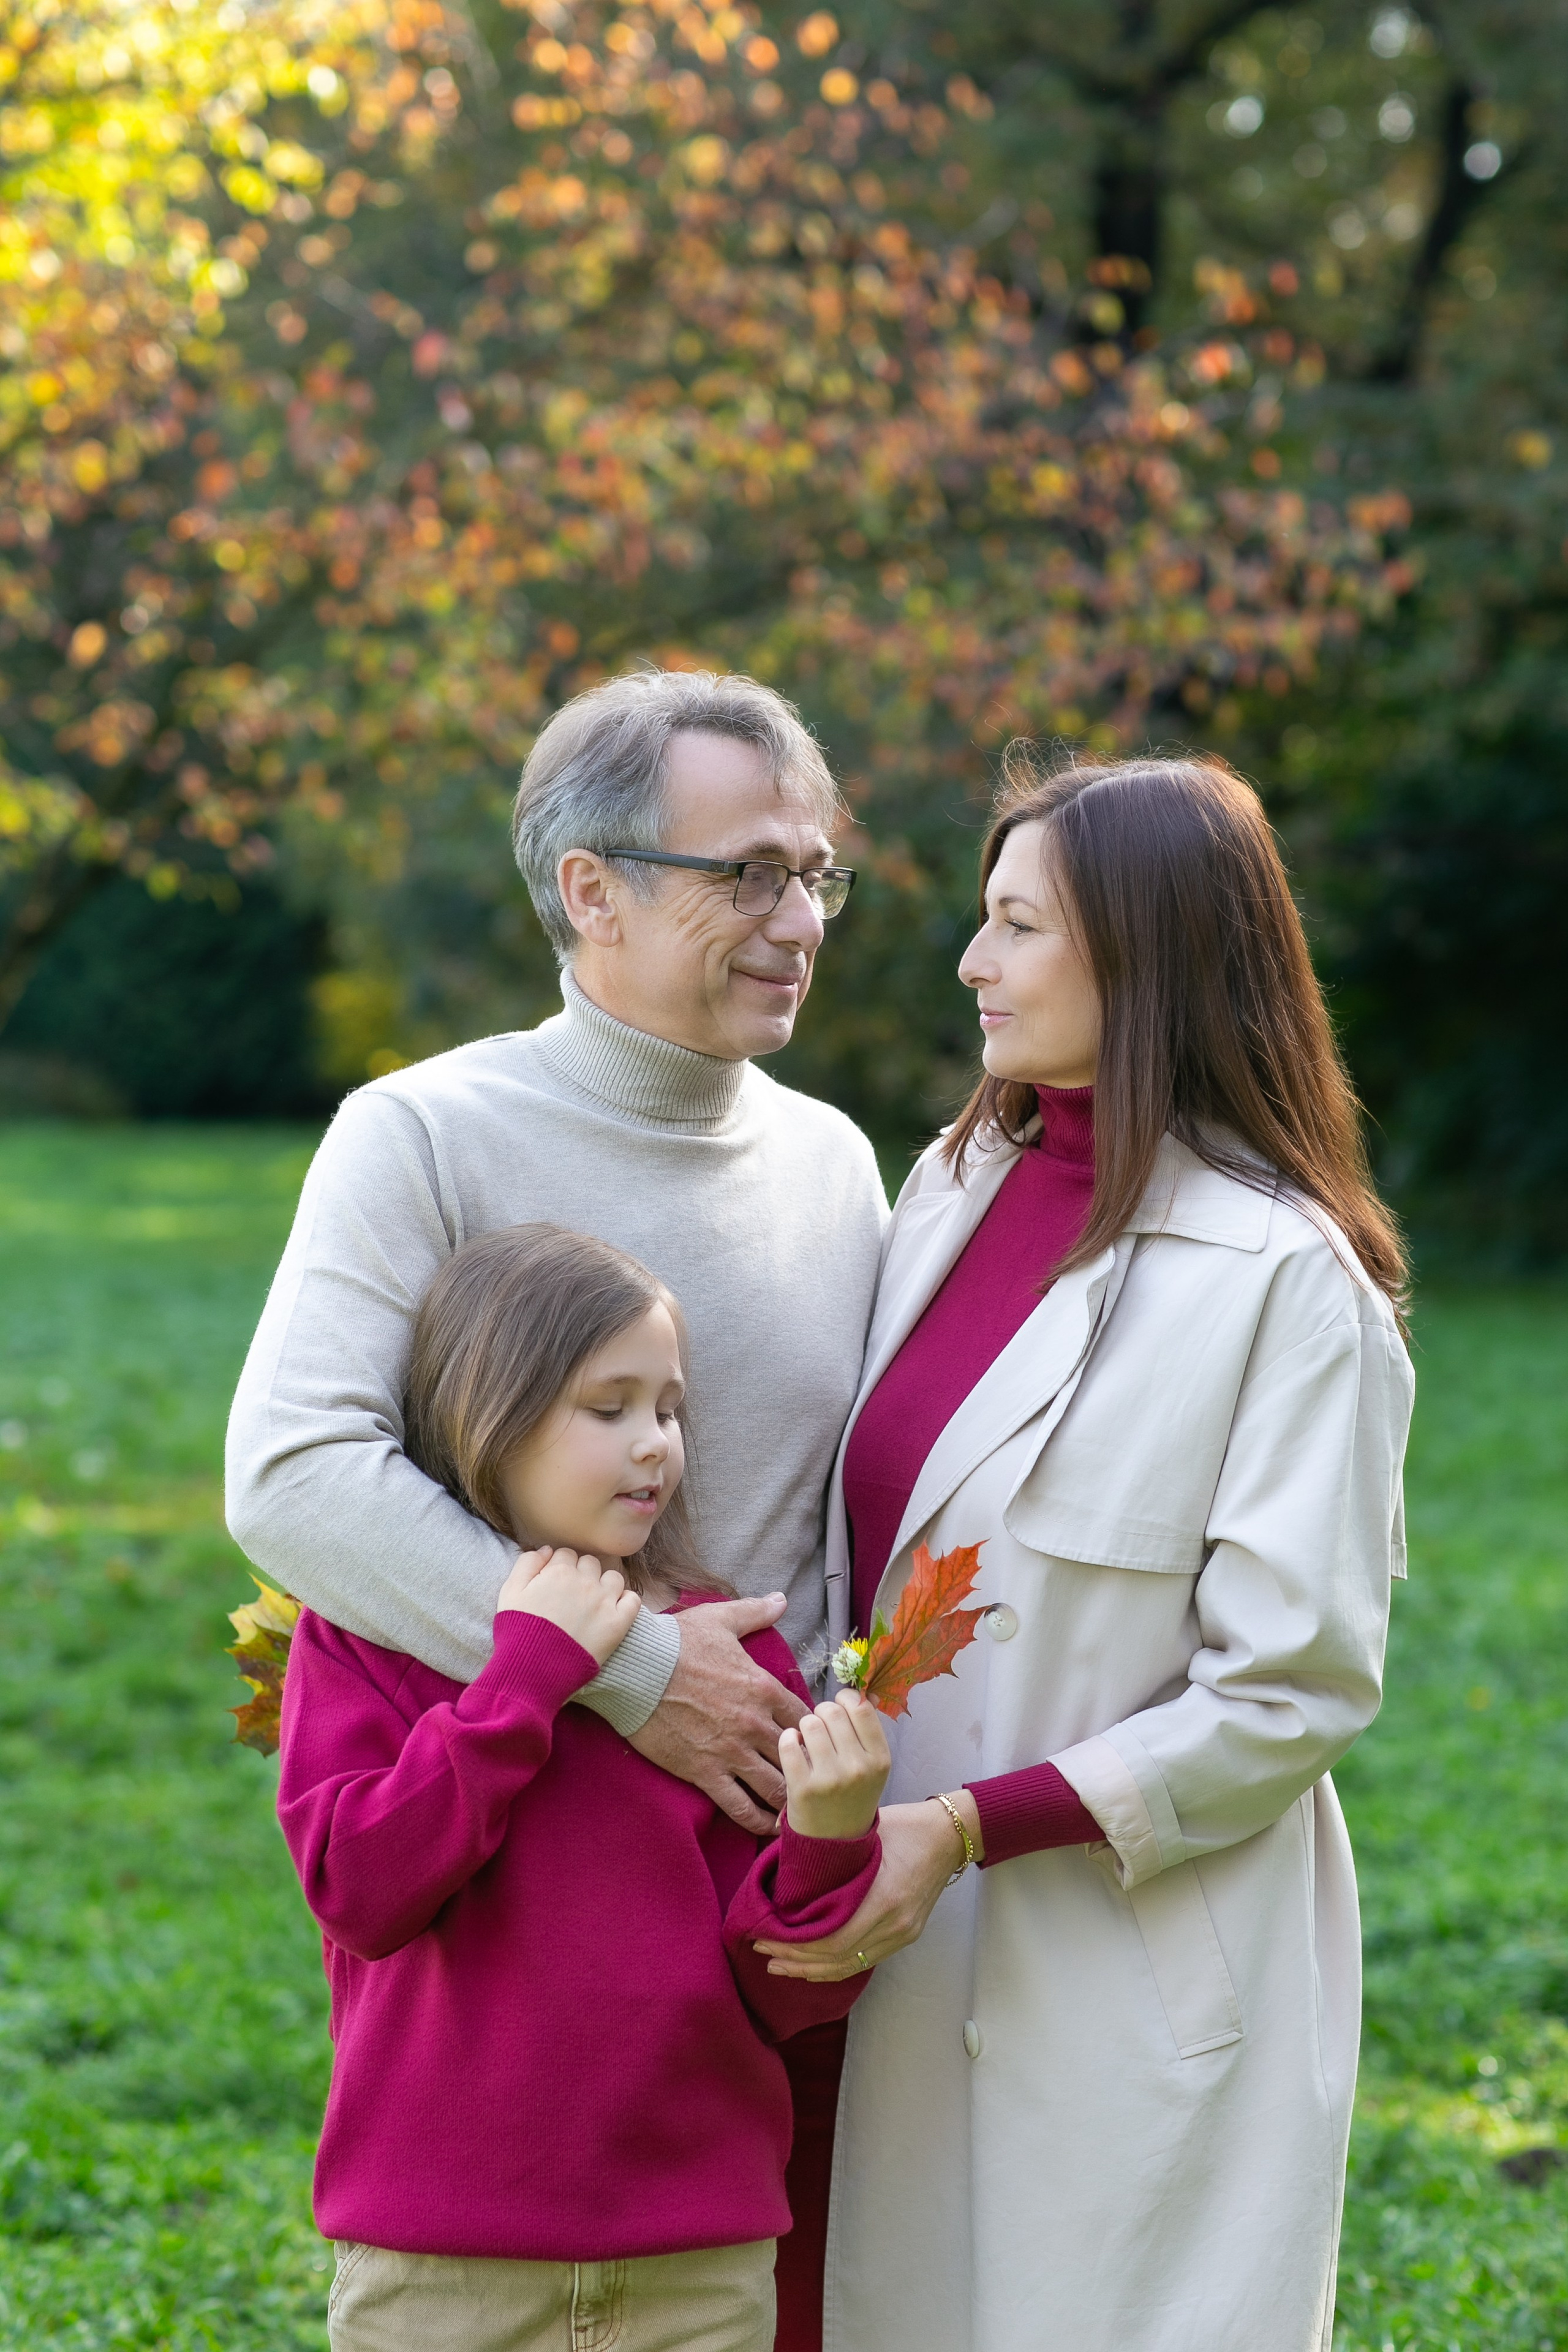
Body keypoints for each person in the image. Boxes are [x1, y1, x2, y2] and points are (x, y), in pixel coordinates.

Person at [226, 667, 888, 2349]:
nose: (794, 914)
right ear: (589, 888)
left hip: (749, 1944)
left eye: (814, 873)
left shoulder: (835, 1166)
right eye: (742, 870)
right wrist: (640, 1681)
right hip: (501, 1923)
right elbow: (296, 1477)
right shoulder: (425, 1133)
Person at [755, 750, 1415, 2352]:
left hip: (1122, 1975)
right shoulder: (956, 1181)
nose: (972, 963)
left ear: (1151, 951)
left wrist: (971, 1829)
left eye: (1017, 926)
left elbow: (1294, 1690)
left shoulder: (1289, 1284)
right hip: (880, 1937)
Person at [279, 1223, 890, 2352]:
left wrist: (829, 1840)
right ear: (487, 1414)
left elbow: (781, 2000)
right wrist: (529, 1682)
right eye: (607, 1409)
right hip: (440, 2257)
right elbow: (362, 1890)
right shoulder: (364, 1638)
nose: (655, 1444)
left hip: (695, 2257)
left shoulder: (722, 1662)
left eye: (669, 1409)